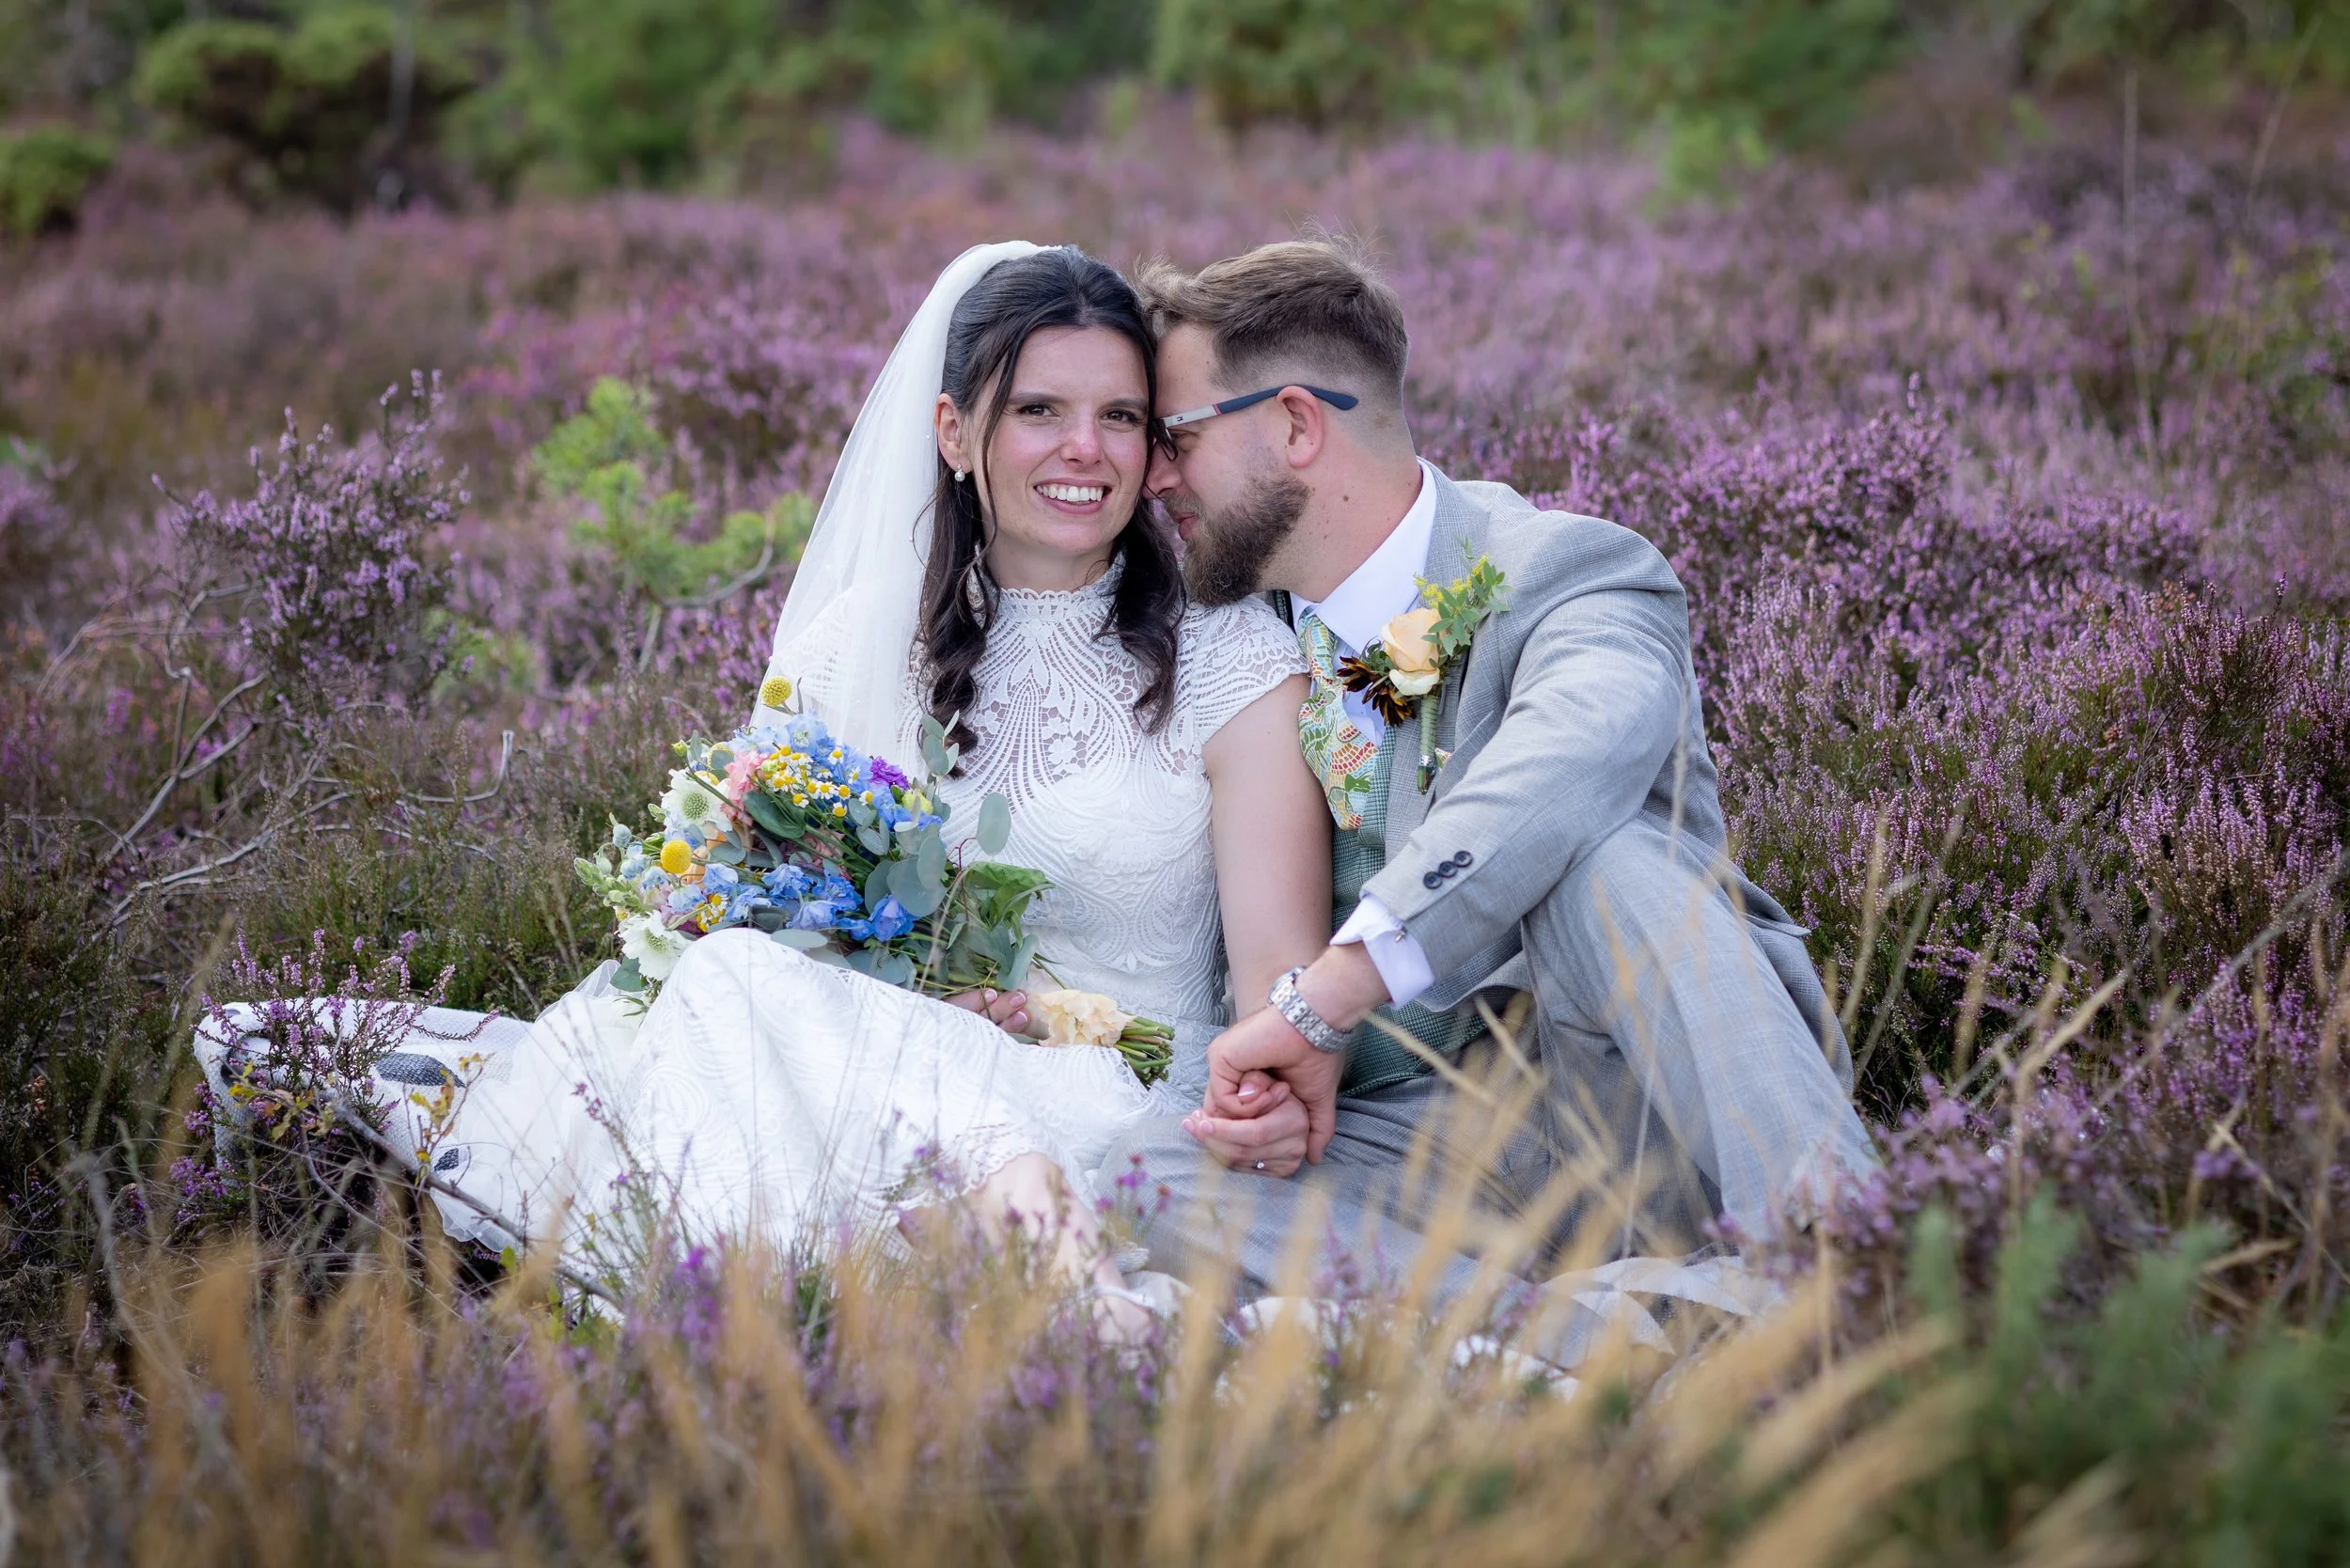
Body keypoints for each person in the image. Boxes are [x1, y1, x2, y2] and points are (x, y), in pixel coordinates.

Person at [197, 243, 1330, 1332]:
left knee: (734, 1004)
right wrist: (891, 999)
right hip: (861, 1073)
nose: (1084, 449)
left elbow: (1279, 998)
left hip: (1110, 1097)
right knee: (728, 973)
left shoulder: (1229, 662)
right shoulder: (854, 646)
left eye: (1120, 416)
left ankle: (1035, 1292)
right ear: (952, 431)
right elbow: (759, 905)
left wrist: (1083, 1035)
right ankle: (968, 1296)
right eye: (1038, 410)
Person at [1100, 239, 1879, 1309]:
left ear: (1293, 424)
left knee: (1607, 857)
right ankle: (1589, 1339)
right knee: (1150, 1187)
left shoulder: (1567, 570)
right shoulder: (1239, 633)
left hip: (1618, 1096)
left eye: (1175, 436)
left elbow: (1577, 744)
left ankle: (1851, 1273)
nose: (1153, 476)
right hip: (1414, 1134)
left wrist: (1334, 993)